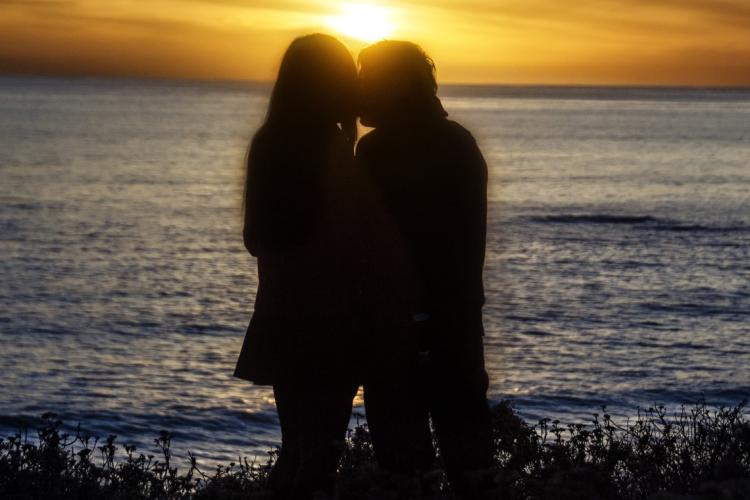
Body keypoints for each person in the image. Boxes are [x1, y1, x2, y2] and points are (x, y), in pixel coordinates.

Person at [356, 40, 494, 497]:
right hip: (456, 325)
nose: (358, 88)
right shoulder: (458, 143)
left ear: (391, 84)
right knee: (471, 464)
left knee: (403, 471)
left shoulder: (378, 152)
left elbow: (366, 244)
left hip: (398, 330)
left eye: (366, 76)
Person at [233, 34, 362, 500]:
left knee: (296, 449)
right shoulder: (333, 149)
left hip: (281, 314)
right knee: (322, 453)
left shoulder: (268, 143)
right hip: (330, 319)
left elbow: (253, 241)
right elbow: (351, 240)